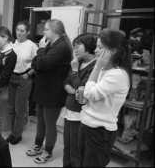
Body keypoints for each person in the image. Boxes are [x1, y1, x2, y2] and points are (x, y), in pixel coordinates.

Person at [79, 29, 131, 167]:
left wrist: (96, 68)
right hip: (87, 123)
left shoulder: (117, 74)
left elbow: (89, 94)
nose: (95, 50)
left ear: (113, 51)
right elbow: (88, 93)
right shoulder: (104, 69)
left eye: (100, 47)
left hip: (100, 130)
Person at [26, 19, 72, 164]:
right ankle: (38, 145)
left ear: (55, 31)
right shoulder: (51, 44)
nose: (43, 32)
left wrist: (40, 50)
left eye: (46, 29)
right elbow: (37, 64)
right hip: (44, 88)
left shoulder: (62, 46)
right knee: (40, 119)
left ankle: (48, 152)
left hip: (54, 91)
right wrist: (40, 56)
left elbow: (42, 63)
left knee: (50, 122)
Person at [61, 34, 97, 167]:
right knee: (67, 146)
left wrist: (75, 70)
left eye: (78, 46)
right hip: (70, 108)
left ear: (89, 47)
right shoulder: (78, 62)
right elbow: (66, 82)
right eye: (74, 46)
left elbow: (81, 88)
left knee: (76, 149)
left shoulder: (94, 67)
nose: (75, 49)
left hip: (80, 112)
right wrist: (70, 89)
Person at [6, 20, 38, 145]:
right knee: (10, 108)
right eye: (17, 30)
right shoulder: (12, 45)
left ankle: (17, 134)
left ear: (28, 32)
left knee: (19, 109)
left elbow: (39, 63)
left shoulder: (31, 46)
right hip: (11, 78)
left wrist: (29, 74)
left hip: (23, 79)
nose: (19, 33)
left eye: (22, 31)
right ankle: (13, 132)